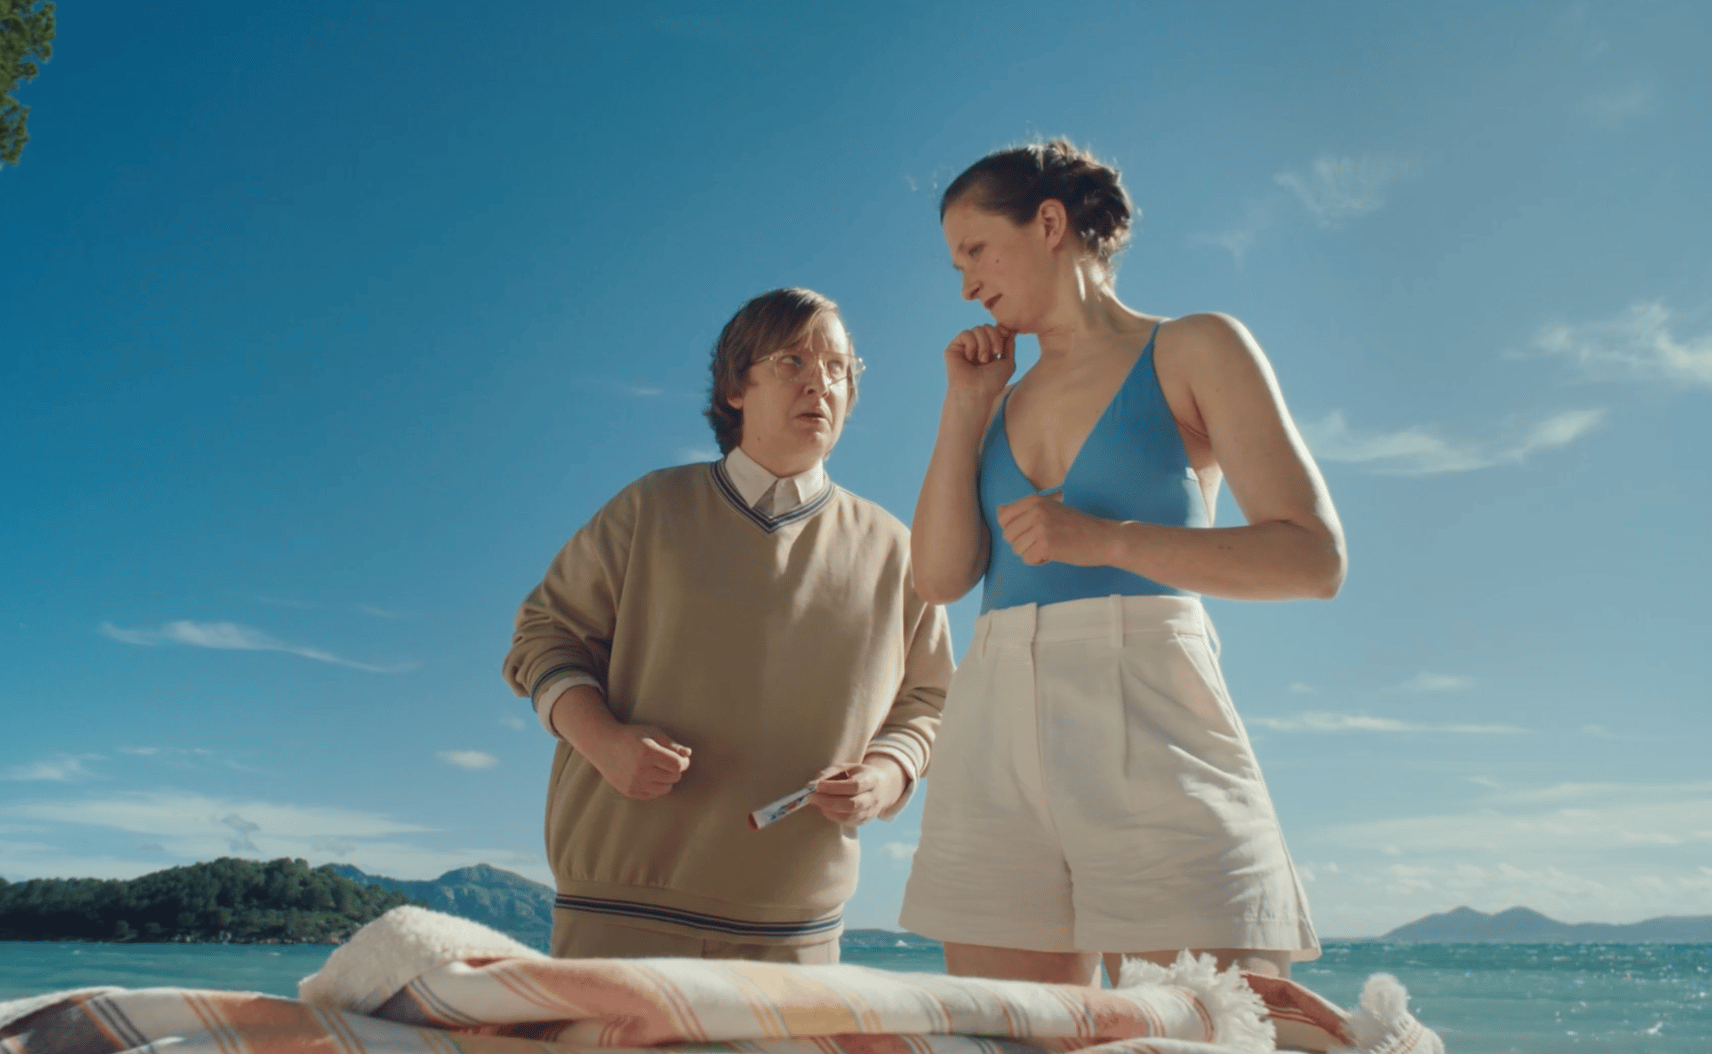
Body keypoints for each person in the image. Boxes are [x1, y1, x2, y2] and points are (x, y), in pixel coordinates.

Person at [898, 140, 1346, 985]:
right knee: (1009, 1036)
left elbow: (1313, 558)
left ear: (1049, 224)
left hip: (1153, 714)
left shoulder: (1195, 346)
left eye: (976, 251)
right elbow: (939, 579)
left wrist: (1106, 540)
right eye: (958, 266)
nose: (966, 286)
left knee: (1213, 1026)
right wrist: (965, 407)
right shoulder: (996, 399)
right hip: (992, 723)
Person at [504, 287, 952, 964]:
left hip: (796, 929)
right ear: (735, 388)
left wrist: (888, 775)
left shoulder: (898, 551)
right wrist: (603, 741)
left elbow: (931, 699)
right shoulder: (650, 507)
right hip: (618, 911)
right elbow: (544, 636)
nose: (821, 384)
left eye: (838, 367)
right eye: (792, 361)